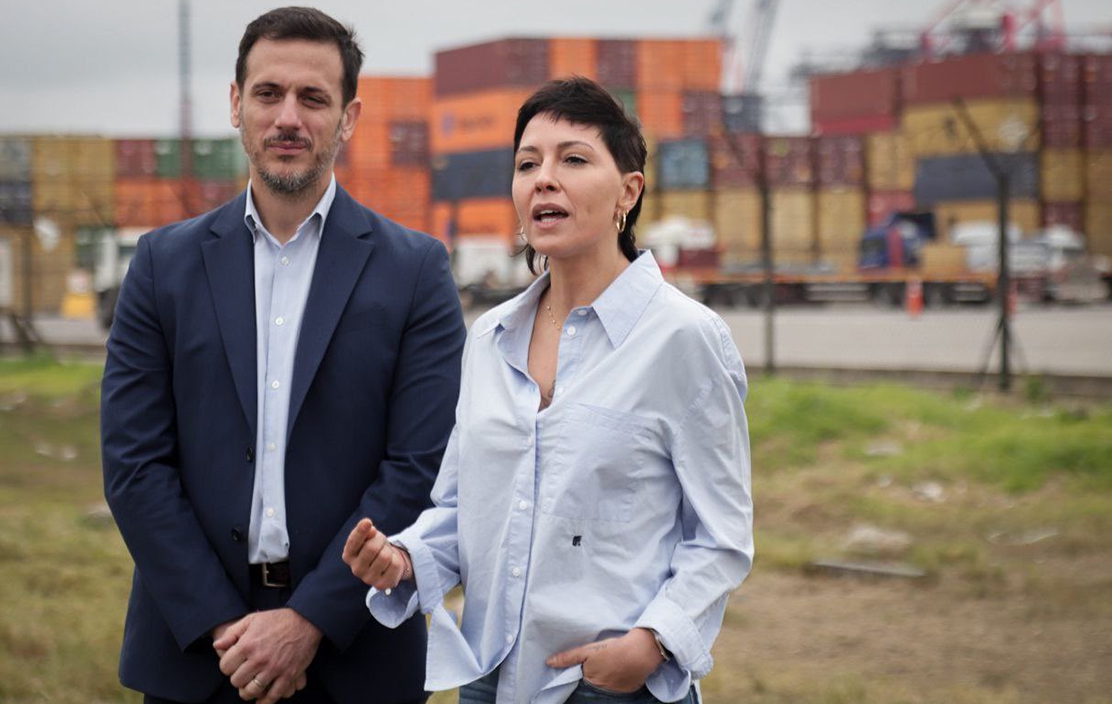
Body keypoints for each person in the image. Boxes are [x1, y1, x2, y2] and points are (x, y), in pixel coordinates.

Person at [343, 77, 753, 704]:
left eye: (574, 160)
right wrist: (402, 558)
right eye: (527, 164)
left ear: (628, 191)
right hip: (489, 677)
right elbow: (465, 510)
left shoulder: (683, 339)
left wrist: (652, 643)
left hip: (610, 686)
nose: (544, 180)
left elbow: (721, 536)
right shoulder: (490, 340)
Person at [100, 7, 465, 704]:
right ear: (236, 104)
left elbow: (419, 467)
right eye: (268, 94)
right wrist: (223, 626)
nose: (288, 118)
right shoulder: (161, 266)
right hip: (197, 655)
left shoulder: (416, 271)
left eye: (313, 98)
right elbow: (134, 464)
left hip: (358, 654)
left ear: (349, 118)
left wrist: (309, 621)